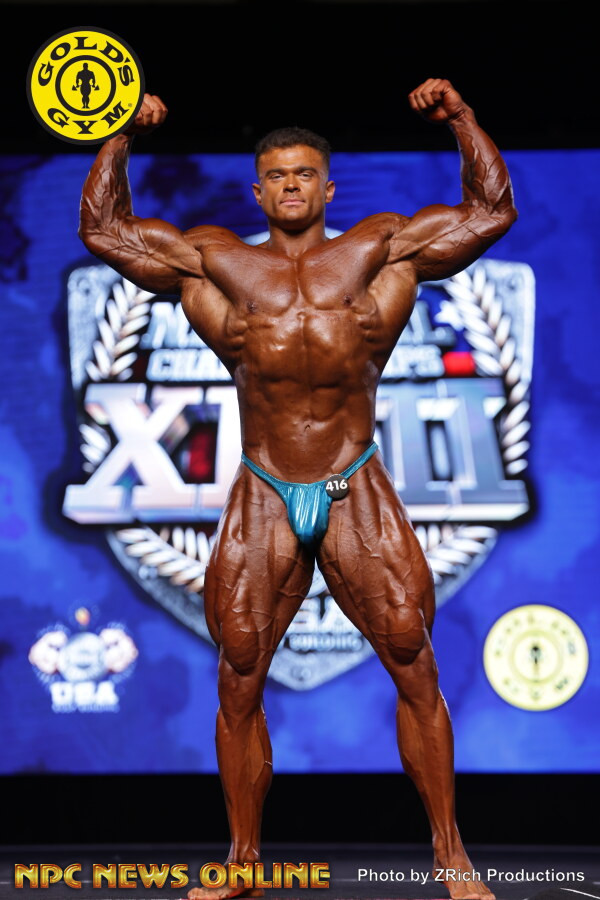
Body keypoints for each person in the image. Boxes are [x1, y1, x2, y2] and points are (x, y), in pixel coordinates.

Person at [79, 78, 517, 899]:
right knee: (239, 670)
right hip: (264, 487)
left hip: (355, 482)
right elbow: (103, 230)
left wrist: (461, 117)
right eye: (276, 176)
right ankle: (243, 864)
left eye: (304, 174)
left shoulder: (381, 251)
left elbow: (491, 211)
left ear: (328, 186)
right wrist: (120, 135)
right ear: (258, 190)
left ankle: (452, 856)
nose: (290, 186)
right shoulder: (216, 260)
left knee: (412, 657)